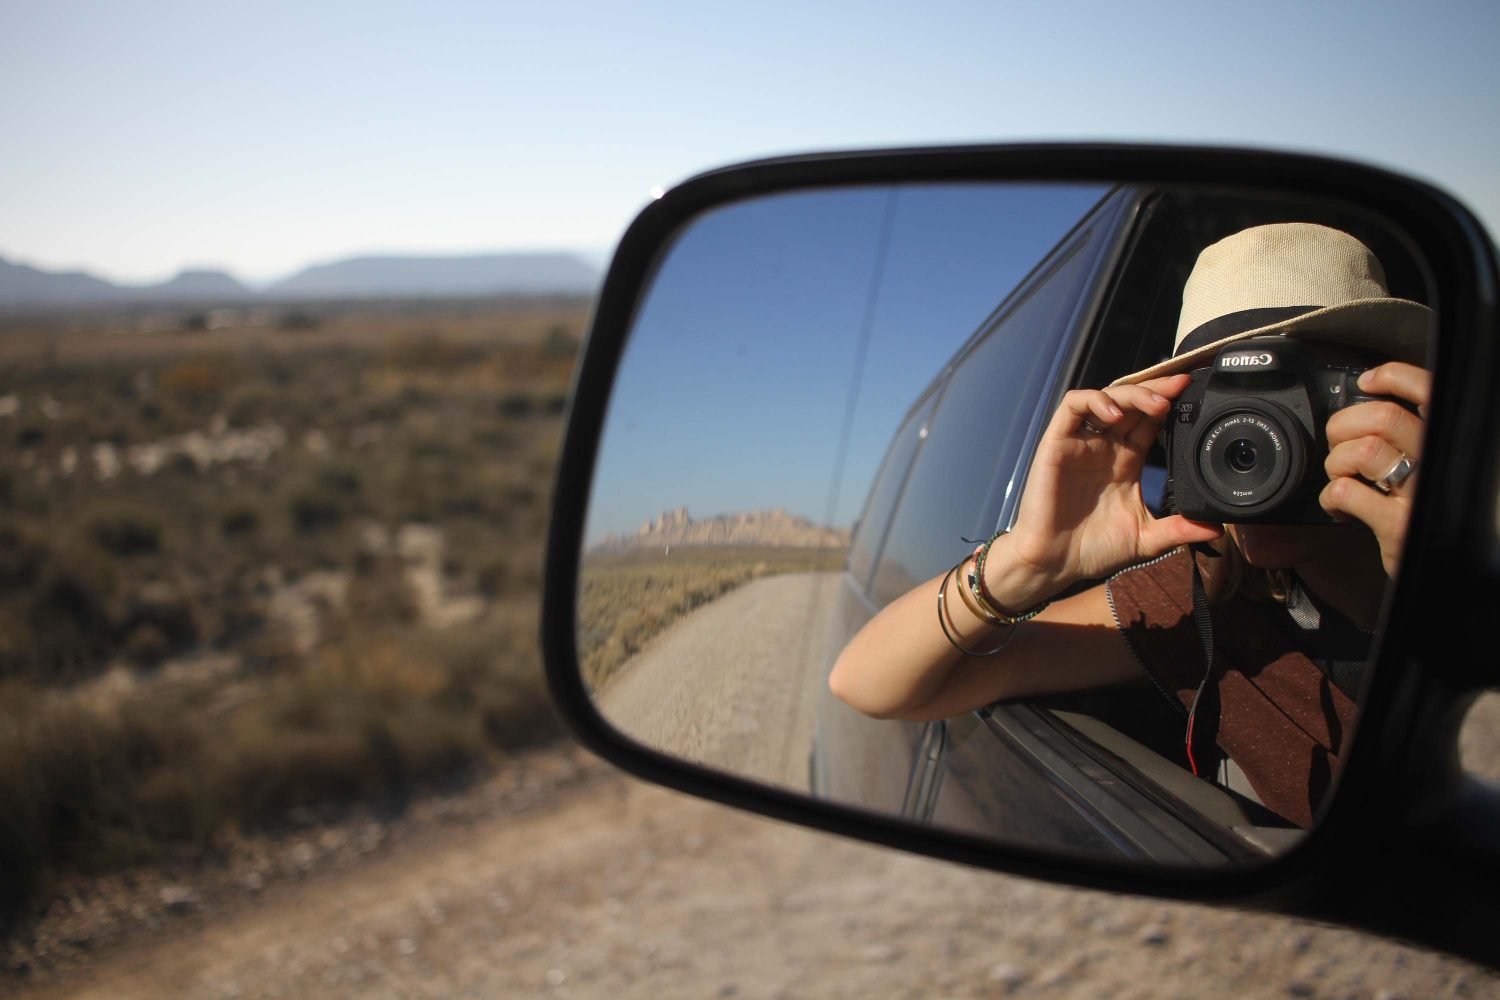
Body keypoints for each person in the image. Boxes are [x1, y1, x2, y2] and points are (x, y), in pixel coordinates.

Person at [828, 222, 1432, 828]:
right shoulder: (1200, 600)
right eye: (1228, 405)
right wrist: (1028, 561)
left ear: (1388, 404)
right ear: (1180, 430)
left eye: (1304, 397)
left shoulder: (1470, 567)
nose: (1260, 439)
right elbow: (866, 682)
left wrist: (1450, 582)